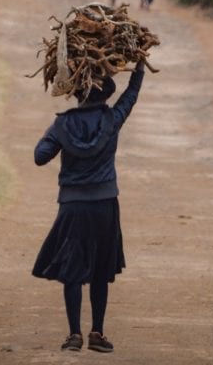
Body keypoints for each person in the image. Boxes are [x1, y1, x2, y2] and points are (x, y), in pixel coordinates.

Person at [32, 62, 146, 353]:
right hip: (105, 205)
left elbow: (40, 157)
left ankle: (74, 335)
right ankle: (97, 332)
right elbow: (130, 96)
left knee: (72, 269)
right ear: (106, 94)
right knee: (100, 268)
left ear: (77, 93)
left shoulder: (62, 124)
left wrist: (57, 129)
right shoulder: (112, 120)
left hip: (72, 206)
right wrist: (139, 68)